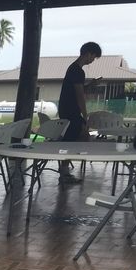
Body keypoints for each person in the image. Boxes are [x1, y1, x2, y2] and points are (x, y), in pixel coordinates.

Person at [56, 41, 102, 185]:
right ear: (88, 53)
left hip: (67, 109)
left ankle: (65, 168)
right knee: (73, 139)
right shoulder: (77, 71)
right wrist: (85, 116)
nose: (92, 60)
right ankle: (64, 170)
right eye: (93, 57)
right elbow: (80, 96)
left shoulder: (74, 69)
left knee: (77, 137)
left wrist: (91, 85)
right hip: (71, 111)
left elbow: (79, 90)